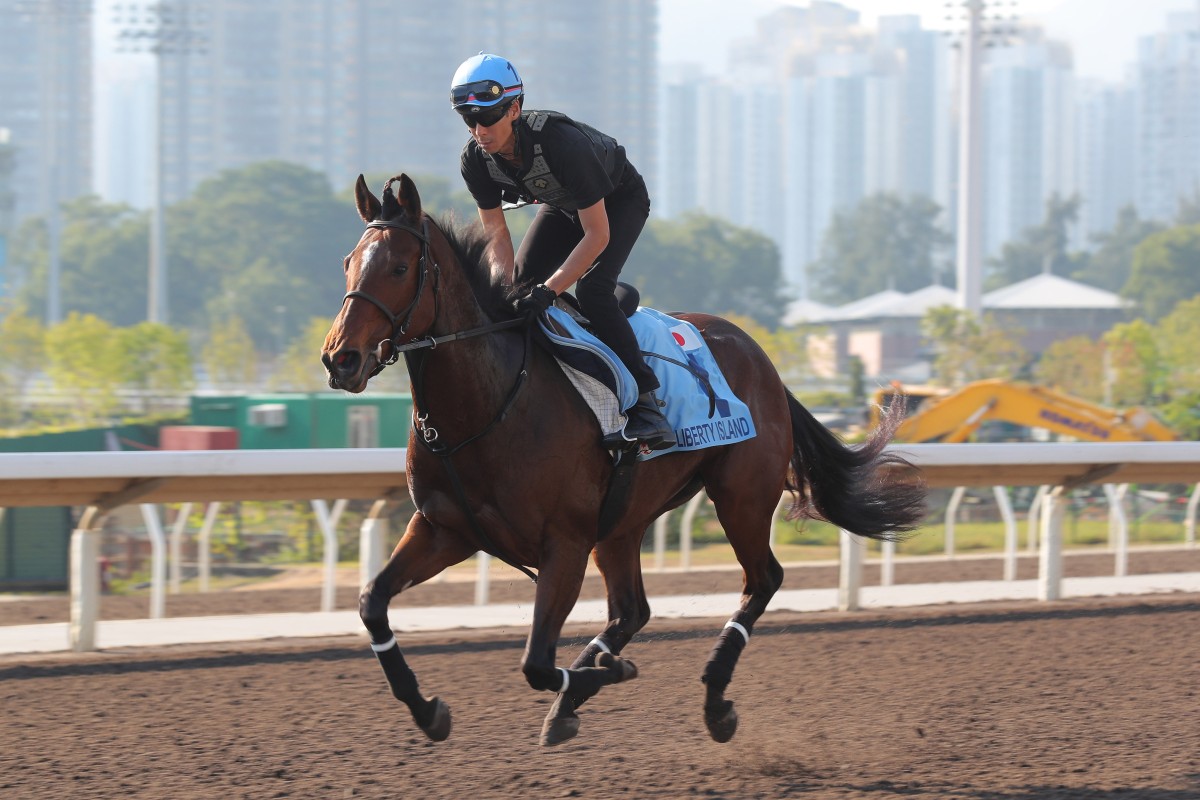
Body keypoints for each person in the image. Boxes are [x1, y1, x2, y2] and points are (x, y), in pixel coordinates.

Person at [450, 53, 676, 451]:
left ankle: (647, 405)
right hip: (562, 204)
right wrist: (509, 292)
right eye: (469, 120)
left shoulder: (563, 144)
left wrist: (551, 290)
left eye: (486, 118)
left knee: (592, 291)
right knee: (517, 290)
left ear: (514, 108)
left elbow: (597, 235)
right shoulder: (474, 160)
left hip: (618, 201)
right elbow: (497, 238)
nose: (478, 130)